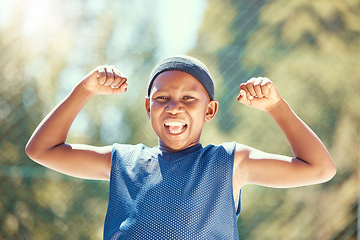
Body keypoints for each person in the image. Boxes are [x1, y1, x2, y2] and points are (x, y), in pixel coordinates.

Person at [25, 55, 336, 239]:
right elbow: (41, 149)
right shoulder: (124, 162)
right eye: (162, 98)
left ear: (210, 110)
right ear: (148, 107)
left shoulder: (229, 162)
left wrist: (276, 106)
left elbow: (320, 169)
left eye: (189, 99)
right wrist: (84, 90)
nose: (174, 107)